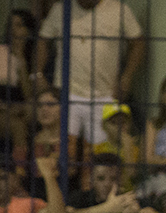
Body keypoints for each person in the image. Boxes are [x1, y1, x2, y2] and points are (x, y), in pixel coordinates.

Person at [34, 0, 145, 146]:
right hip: (66, 93)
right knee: (63, 149)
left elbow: (138, 42)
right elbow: (43, 40)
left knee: (101, 153)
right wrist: (38, 73)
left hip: (105, 94)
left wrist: (127, 76)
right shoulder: (61, 9)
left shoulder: (119, 9)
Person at [0, 9, 37, 157]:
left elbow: (29, 95)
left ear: (28, 32)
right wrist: (4, 107)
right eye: (11, 25)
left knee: (33, 112)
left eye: (19, 25)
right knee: (18, 126)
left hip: (20, 109)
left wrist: (21, 60)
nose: (13, 30)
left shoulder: (32, 58)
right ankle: (20, 173)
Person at [66, 152, 143, 213]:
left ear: (121, 180)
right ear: (91, 179)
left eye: (113, 178)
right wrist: (108, 208)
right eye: (101, 178)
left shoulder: (128, 200)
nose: (107, 184)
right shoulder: (79, 199)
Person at [93, 103, 139, 192]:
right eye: (114, 122)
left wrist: (128, 148)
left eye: (123, 122)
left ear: (130, 124)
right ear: (103, 125)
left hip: (127, 194)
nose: (119, 127)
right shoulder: (97, 149)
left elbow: (133, 177)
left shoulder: (136, 150)